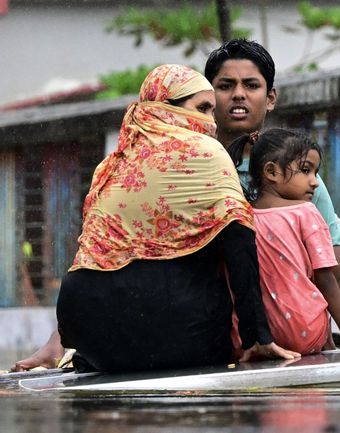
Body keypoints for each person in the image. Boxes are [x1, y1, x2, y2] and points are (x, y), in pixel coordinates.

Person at [37, 64, 299, 373]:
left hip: (92, 335)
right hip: (176, 329)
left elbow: (90, 259)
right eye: (202, 108)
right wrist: (256, 338)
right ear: (164, 107)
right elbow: (239, 243)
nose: (210, 122)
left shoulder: (110, 166)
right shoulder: (205, 151)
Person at [205, 39, 340, 337]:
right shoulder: (194, 165)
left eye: (251, 86)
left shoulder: (291, 172)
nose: (238, 94)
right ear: (209, 97)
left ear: (270, 98)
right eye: (226, 86)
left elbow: (338, 270)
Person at [234, 129, 340, 354]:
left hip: (256, 336)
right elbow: (326, 278)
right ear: (271, 172)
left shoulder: (242, 217)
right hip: (304, 330)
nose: (315, 182)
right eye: (305, 170)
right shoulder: (306, 213)